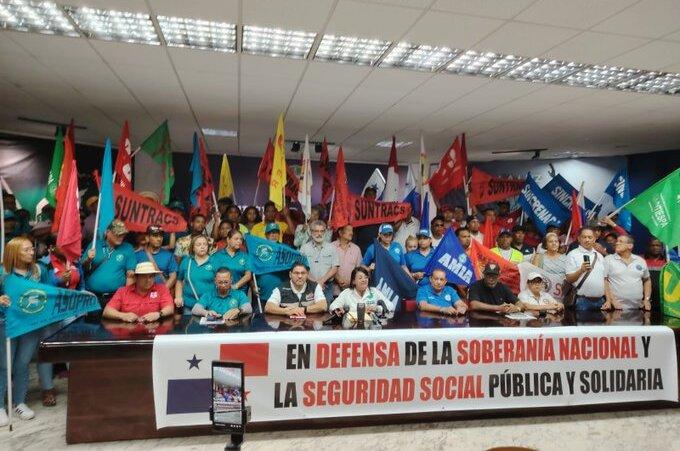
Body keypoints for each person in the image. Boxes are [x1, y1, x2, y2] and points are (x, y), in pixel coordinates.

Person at [0, 237, 54, 424]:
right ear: (14, 252)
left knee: (22, 364)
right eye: (27, 250)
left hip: (31, 325)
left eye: (32, 249)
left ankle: (19, 402)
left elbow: (51, 292)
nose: (32, 252)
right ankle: (0, 406)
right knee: (4, 365)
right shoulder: (3, 273)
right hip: (7, 325)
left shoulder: (39, 271)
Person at [81, 219, 136, 300]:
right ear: (107, 232)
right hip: (91, 296)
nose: (120, 237)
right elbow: (82, 270)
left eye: (123, 234)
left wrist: (127, 298)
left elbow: (130, 276)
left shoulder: (128, 248)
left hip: (115, 297)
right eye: (117, 234)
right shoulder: (95, 245)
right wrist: (88, 259)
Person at [103, 262, 174, 322]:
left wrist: (158, 314)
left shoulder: (162, 289)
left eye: (151, 276)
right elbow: (107, 311)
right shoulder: (122, 291)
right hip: (129, 331)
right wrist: (123, 316)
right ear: (136, 278)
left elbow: (170, 308)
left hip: (154, 331)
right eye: (144, 276)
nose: (148, 280)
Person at [604, 235, 652, 311]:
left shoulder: (640, 260)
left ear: (630, 246)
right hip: (616, 308)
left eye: (620, 241)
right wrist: (612, 301)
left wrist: (646, 299)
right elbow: (604, 281)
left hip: (638, 307)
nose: (617, 243)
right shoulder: (608, 259)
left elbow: (647, 280)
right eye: (617, 241)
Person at [565, 227, 606, 311]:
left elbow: (605, 280)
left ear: (595, 239)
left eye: (590, 237)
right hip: (581, 301)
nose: (587, 240)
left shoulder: (599, 256)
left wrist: (608, 300)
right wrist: (581, 270)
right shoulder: (572, 254)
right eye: (584, 237)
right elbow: (569, 279)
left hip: (601, 301)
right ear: (579, 239)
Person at [175, 235, 216, 314]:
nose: (202, 247)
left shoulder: (215, 261)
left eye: (205, 244)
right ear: (193, 248)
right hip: (189, 306)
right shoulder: (186, 261)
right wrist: (178, 297)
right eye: (199, 244)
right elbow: (179, 280)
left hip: (210, 306)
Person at [299, 220, 338, 302]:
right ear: (311, 232)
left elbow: (335, 268)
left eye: (322, 231)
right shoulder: (304, 248)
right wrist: (316, 283)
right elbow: (301, 268)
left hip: (327, 286)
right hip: (308, 285)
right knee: (309, 307)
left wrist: (321, 281)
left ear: (325, 232)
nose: (319, 234)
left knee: (326, 308)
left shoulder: (332, 248)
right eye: (316, 231)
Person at [329, 266, 394, 314]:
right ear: (353, 281)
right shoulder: (347, 293)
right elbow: (333, 306)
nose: (364, 280)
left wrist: (377, 308)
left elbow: (391, 306)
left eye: (366, 277)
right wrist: (338, 309)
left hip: (372, 326)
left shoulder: (374, 291)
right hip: (352, 326)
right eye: (360, 278)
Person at [253, 223, 290, 303]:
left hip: (281, 292)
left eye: (276, 232)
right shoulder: (259, 250)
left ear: (279, 234)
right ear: (266, 235)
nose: (274, 235)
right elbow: (252, 269)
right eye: (271, 233)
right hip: (262, 293)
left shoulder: (286, 249)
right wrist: (253, 285)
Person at [136, 225, 178, 291]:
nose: (159, 239)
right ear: (147, 238)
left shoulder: (168, 255)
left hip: (162, 292)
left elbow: (173, 276)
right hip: (142, 292)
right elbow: (133, 276)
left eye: (161, 236)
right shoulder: (138, 255)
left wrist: (162, 291)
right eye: (155, 236)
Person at [211, 230, 252, 295]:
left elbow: (248, 275)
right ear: (228, 240)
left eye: (241, 239)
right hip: (221, 293)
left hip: (240, 293)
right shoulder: (217, 256)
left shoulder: (245, 256)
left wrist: (235, 286)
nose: (239, 241)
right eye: (236, 239)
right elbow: (213, 275)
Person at [531, 232, 568, 297]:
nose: (554, 243)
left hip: (559, 295)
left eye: (556, 241)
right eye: (551, 241)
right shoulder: (539, 257)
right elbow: (533, 276)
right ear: (545, 245)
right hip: (541, 293)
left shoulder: (566, 259)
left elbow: (568, 277)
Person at [332, 224, 362, 296]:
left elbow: (359, 269)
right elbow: (327, 266)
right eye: (348, 230)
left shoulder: (356, 249)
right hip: (333, 291)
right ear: (340, 232)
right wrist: (338, 279)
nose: (351, 233)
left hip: (351, 291)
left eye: (352, 230)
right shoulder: (331, 247)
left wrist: (351, 282)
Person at [353, 187, 381, 253]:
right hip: (360, 245)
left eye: (373, 195)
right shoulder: (359, 209)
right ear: (365, 195)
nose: (371, 196)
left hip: (373, 245)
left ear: (375, 197)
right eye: (369, 194)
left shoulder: (379, 211)